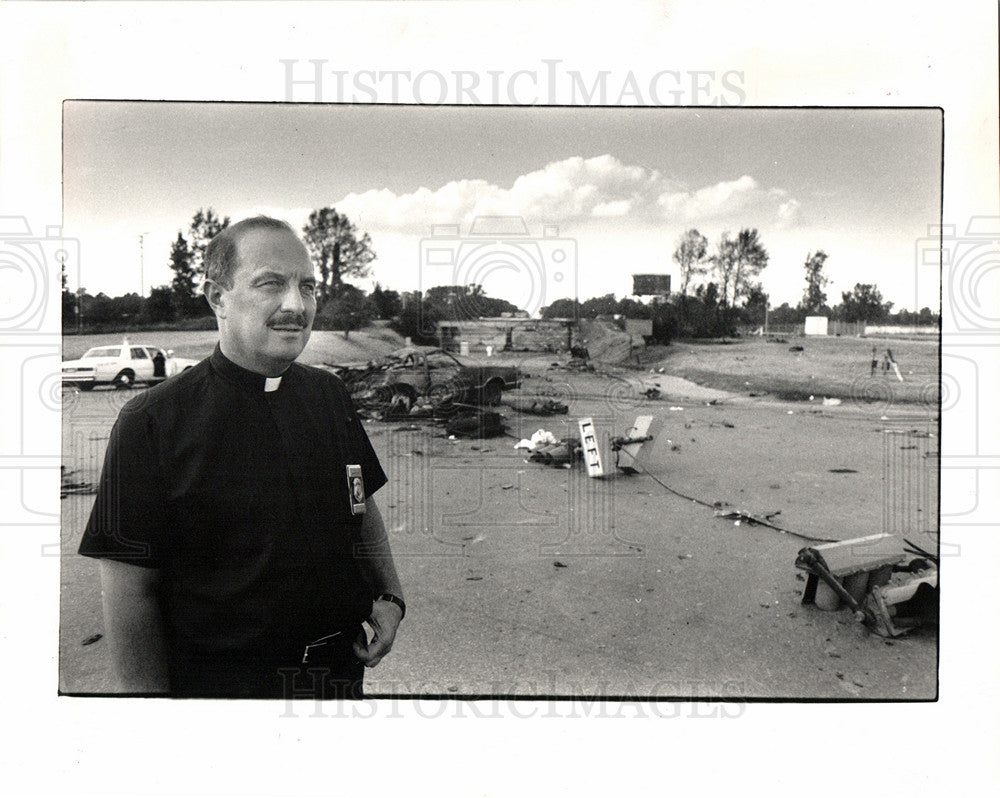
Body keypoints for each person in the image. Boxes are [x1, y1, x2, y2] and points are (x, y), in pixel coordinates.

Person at [78, 216, 405, 699]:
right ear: (217, 297)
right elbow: (131, 595)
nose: (296, 304)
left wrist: (391, 595)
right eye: (271, 283)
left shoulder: (329, 396)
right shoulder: (151, 421)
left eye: (307, 287)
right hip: (228, 696)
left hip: (340, 677)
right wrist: (145, 718)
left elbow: (361, 505)